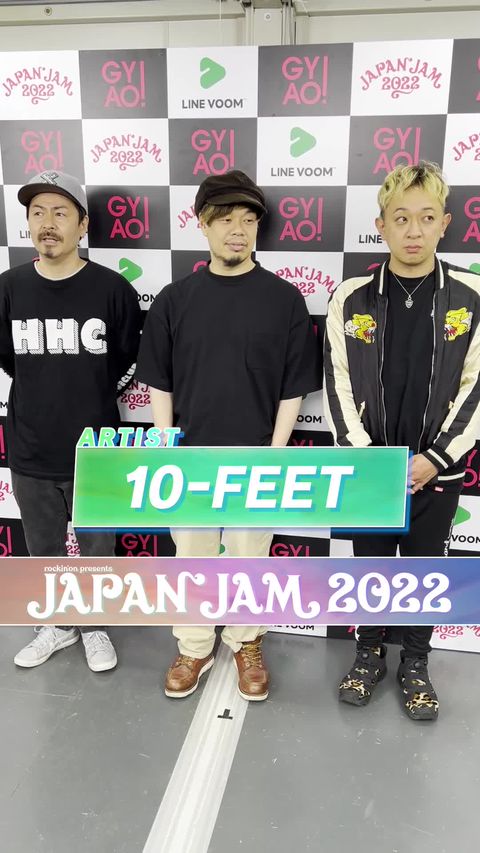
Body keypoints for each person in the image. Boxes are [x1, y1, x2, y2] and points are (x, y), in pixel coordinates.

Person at [136, 169, 320, 700]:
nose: (237, 230)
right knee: (191, 556)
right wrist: (168, 449)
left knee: (248, 556)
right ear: (203, 224)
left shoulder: (284, 299)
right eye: (225, 219)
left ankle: (246, 641)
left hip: (255, 457)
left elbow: (293, 387)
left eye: (247, 220)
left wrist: (275, 453)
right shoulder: (175, 299)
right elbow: (160, 382)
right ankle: (194, 645)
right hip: (191, 458)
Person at [324, 161, 480, 721]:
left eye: (427, 218)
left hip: (439, 470)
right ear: (382, 226)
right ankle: (368, 654)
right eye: (401, 218)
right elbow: (337, 382)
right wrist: (369, 460)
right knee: (371, 568)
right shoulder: (351, 297)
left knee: (423, 570)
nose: (414, 231)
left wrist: (436, 458)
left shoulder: (472, 295)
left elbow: (477, 386)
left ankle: (416, 662)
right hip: (371, 473)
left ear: (445, 224)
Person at [0, 170, 142, 672]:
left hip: (96, 449)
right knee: (43, 549)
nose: (48, 223)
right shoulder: (9, 287)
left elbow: (127, 359)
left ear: (82, 225)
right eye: (38, 212)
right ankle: (57, 626)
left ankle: (95, 625)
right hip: (31, 446)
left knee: (98, 549)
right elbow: (9, 360)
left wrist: (88, 397)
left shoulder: (112, 289)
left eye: (60, 213)